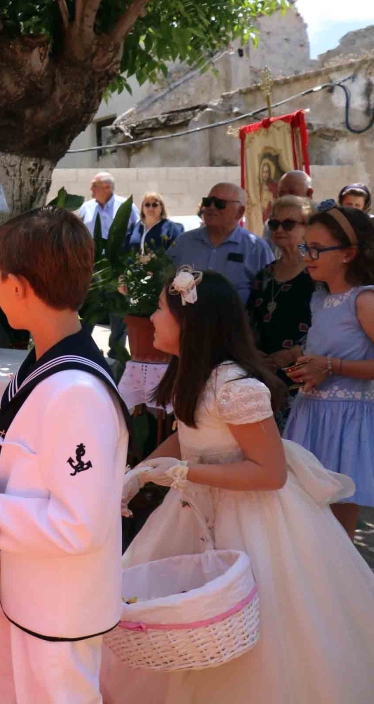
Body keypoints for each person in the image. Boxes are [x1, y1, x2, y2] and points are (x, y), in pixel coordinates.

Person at [108, 270, 374, 703]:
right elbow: (187, 434)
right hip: (195, 509)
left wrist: (182, 473)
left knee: (254, 619)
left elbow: (270, 474)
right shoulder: (193, 375)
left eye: (159, 308)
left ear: (190, 323)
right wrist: (135, 478)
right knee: (182, 615)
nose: (151, 317)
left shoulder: (235, 387)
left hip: (255, 519)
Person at [0, 206, 129, 704]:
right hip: (30, 587)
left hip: (60, 605)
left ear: (17, 287)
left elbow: (77, 523)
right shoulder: (46, 360)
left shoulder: (76, 391)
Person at [283, 203, 374, 538]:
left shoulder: (364, 300)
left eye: (318, 249)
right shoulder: (320, 299)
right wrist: (299, 360)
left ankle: (346, 590)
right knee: (307, 530)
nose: (308, 256)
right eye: (306, 247)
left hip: (345, 425)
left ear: (349, 254)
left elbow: (336, 360)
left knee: (337, 535)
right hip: (310, 417)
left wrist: (332, 366)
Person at [246, 195, 315, 427]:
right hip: (264, 378)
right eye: (274, 224)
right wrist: (254, 355)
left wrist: (293, 354)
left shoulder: (319, 273)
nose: (279, 230)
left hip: (305, 380)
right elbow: (249, 321)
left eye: (289, 224)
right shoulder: (264, 274)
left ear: (308, 228)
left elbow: (333, 324)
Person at [167, 182, 273, 304]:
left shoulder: (256, 248)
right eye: (207, 202)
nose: (211, 207)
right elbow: (163, 282)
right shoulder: (182, 243)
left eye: (219, 204)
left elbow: (268, 294)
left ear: (240, 212)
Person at [77, 171, 140, 239]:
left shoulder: (126, 206)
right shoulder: (85, 208)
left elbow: (138, 229)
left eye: (94, 185)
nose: (91, 189)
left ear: (107, 187)